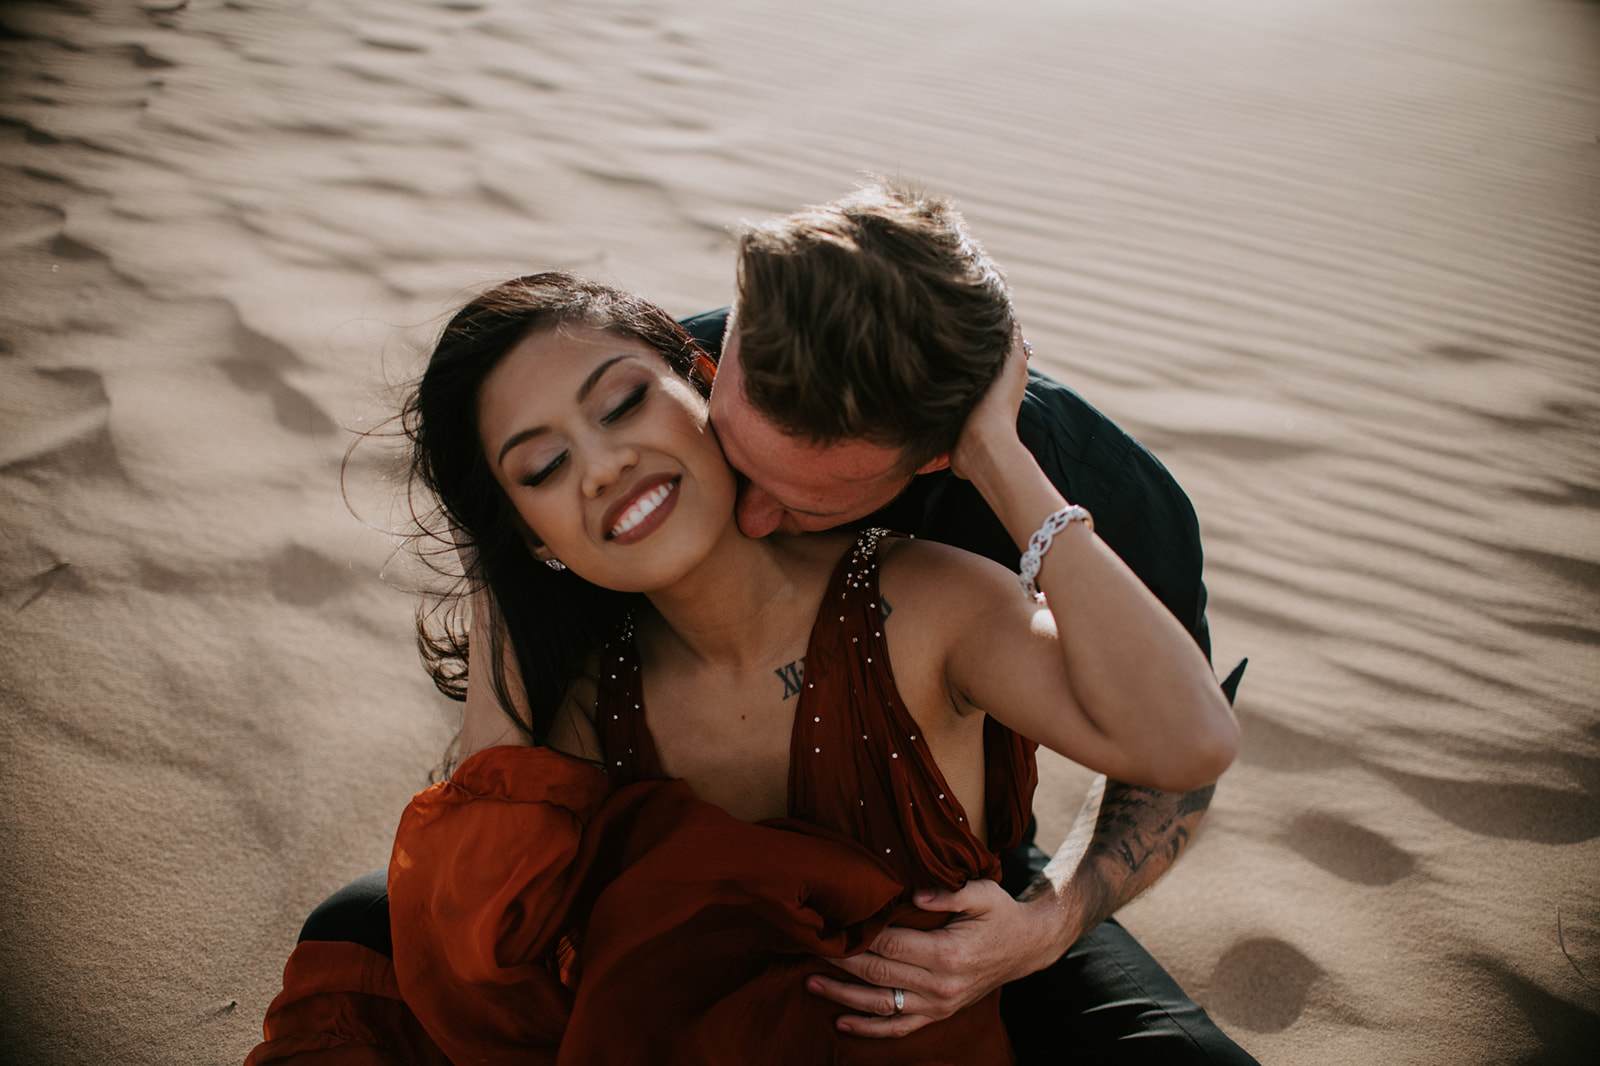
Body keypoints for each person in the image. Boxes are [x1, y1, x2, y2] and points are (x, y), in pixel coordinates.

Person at [247, 272, 1237, 1064]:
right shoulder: (592, 691)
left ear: (705, 382)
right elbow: (480, 937)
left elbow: (1182, 745)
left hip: (958, 943)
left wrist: (992, 450)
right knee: (365, 934)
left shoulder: (937, 590)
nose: (599, 464)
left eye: (625, 402)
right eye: (542, 466)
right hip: (686, 1023)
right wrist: (500, 559)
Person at [675, 181, 1256, 1062]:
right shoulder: (662, 388)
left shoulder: (1097, 488)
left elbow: (1174, 766)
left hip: (949, 884)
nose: (749, 521)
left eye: (805, 504)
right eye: (733, 456)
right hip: (680, 863)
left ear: (941, 452)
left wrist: (1045, 925)